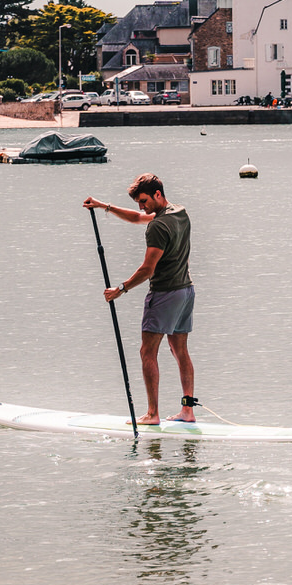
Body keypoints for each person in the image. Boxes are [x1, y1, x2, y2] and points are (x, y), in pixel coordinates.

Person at [83, 174, 195, 426]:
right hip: (186, 292)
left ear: (157, 194)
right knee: (180, 351)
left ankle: (152, 414)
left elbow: (148, 269)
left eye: (143, 200)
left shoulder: (157, 227)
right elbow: (137, 218)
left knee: (147, 352)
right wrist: (104, 207)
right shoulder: (179, 212)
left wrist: (120, 289)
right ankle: (187, 411)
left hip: (165, 294)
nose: (140, 206)